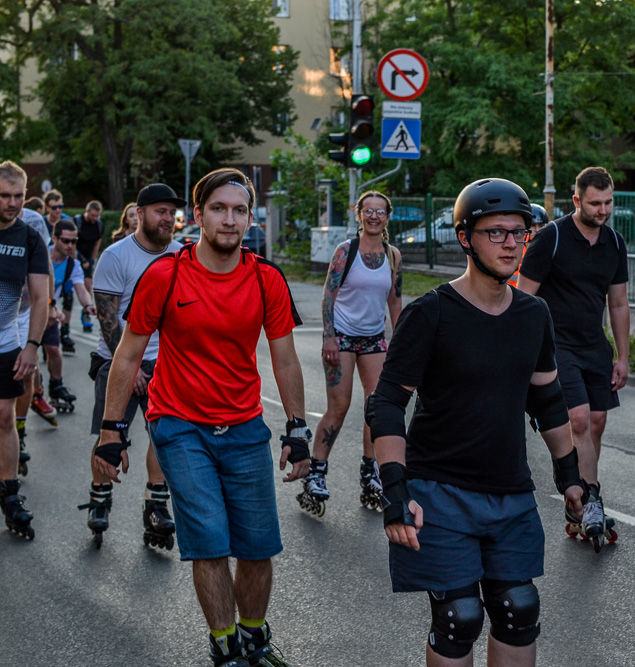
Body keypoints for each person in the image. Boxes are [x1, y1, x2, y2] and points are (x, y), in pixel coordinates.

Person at [365, 177, 586, 666]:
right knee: (459, 616)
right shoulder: (430, 314)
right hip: (439, 493)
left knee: (518, 609)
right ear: (465, 238)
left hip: (509, 492)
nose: (511, 243)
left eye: (519, 232)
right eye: (496, 232)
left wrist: (570, 475)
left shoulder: (533, 315)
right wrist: (395, 491)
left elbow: (548, 400)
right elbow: (385, 405)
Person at [93, 168, 309, 666]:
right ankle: (224, 644)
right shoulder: (164, 275)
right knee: (210, 543)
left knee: (257, 548)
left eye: (238, 210)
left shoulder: (266, 278)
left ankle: (253, 635)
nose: (228, 219)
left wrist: (297, 429)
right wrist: (111, 431)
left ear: (250, 219)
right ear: (199, 216)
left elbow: (285, 359)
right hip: (179, 424)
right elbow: (127, 356)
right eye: (218, 208)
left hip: (244, 426)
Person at [516, 166, 629, 543]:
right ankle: (588, 498)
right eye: (595, 203)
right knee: (578, 420)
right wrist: (524, 352)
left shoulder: (614, 243)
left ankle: (579, 493)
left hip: (594, 346)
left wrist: (623, 357)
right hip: (555, 345)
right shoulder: (552, 238)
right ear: (577, 199)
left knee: (596, 422)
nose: (603, 210)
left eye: (608, 202)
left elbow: (618, 303)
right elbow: (524, 297)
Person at [78, 185, 184, 549]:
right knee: (111, 435)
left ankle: (156, 504)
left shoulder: (182, 256)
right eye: (160, 211)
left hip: (164, 363)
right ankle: (99, 497)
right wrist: (132, 366)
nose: (168, 219)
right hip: (118, 359)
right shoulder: (116, 256)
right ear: (140, 214)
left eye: (172, 212)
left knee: (164, 436)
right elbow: (109, 320)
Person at [298, 190, 402, 516]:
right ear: (359, 214)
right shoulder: (346, 251)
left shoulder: (393, 255)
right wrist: (328, 337)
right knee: (339, 408)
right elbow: (329, 296)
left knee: (377, 406)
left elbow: (395, 302)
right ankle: (316, 474)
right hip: (341, 338)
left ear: (387, 217)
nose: (374, 216)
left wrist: (400, 343)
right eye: (368, 210)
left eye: (380, 211)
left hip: (373, 340)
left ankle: (370, 472)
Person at [0, 161, 50, 540]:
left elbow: (39, 297)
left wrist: (32, 346)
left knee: (4, 418)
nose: (12, 203)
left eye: (18, 195)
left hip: (5, 338)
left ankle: (10, 494)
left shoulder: (29, 238)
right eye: (4, 195)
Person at [13, 206, 56, 475]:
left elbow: (46, 263)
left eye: (18, 195)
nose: (12, 201)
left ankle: (19, 431)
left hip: (23, 308)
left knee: (25, 371)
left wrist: (50, 303)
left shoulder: (32, 220)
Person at [40, 220, 96, 413]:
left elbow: (80, 289)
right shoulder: (40, 254)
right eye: (65, 240)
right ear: (54, 238)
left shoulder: (73, 264)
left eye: (73, 241)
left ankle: (56, 386)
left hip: (50, 314)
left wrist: (88, 305)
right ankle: (35, 389)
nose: (70, 245)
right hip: (26, 313)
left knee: (54, 350)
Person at [43, 189, 75, 353]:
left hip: (64, 264)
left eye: (60, 206)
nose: (58, 210)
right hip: (45, 266)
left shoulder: (67, 222)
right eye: (54, 207)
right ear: (47, 208)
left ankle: (65, 332)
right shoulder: (42, 223)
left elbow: (73, 247)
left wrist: (76, 264)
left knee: (68, 297)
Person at [73, 200, 104, 333]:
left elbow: (97, 243)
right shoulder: (77, 222)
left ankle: (86, 314)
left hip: (88, 259)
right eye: (92, 215)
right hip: (75, 256)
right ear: (87, 212)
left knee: (87, 285)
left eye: (97, 216)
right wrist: (80, 259)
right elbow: (72, 243)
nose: (94, 218)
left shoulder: (99, 225)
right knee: (68, 291)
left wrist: (91, 260)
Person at [507, 204, 549, 288]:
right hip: (512, 295)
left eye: (540, 226)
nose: (537, 230)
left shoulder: (549, 249)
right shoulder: (513, 247)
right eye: (533, 225)